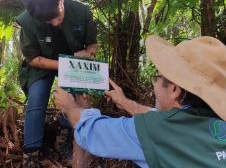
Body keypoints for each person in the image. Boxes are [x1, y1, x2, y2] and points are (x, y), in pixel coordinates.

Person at [54, 35, 226, 168]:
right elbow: (171, 122)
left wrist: (69, 107)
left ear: (174, 89)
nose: (154, 83)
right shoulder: (215, 120)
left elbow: (94, 131)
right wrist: (127, 103)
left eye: (157, 77)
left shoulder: (155, 132)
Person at [16, 0, 97, 167]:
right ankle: (31, 153)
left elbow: (92, 45)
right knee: (37, 99)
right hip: (42, 64)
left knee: (78, 98)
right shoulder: (29, 19)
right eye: (49, 22)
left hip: (74, 63)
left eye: (57, 16)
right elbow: (33, 58)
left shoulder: (81, 11)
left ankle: (62, 137)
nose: (55, 23)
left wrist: (87, 54)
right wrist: (64, 63)